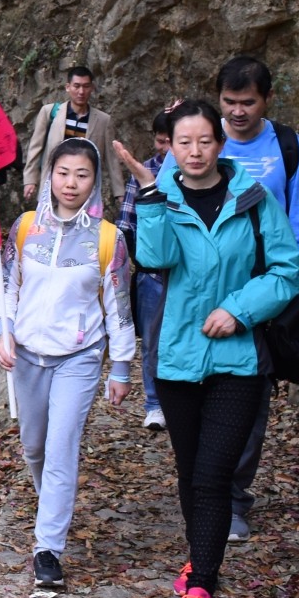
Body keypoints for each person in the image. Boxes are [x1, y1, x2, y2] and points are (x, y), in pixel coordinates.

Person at [116, 100, 299, 598]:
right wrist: (151, 195)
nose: (194, 152)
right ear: (169, 148)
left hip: (238, 361)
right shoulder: (164, 194)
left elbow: (288, 271)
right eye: (183, 143)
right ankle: (201, 554)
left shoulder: (253, 198)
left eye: (203, 141)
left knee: (214, 476)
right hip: (177, 360)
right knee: (190, 473)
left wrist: (238, 310)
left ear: (220, 144)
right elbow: (155, 259)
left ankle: (201, 592)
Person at [0, 139, 137, 590]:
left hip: (80, 356)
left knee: (60, 449)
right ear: (49, 175)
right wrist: (5, 331)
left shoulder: (109, 238)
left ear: (95, 181)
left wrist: (121, 366)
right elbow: (5, 284)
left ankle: (47, 550)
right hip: (29, 356)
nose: (71, 183)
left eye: (82, 175)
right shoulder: (24, 227)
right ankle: (52, 506)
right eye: (63, 173)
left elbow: (120, 307)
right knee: (34, 448)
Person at [216, 55, 299, 541]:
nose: (238, 112)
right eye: (229, 102)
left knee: (252, 395)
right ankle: (204, 489)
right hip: (205, 287)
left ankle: (234, 498)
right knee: (196, 392)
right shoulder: (200, 139)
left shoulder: (286, 146)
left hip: (267, 290)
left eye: (248, 103)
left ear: (266, 100)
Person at [117, 104, 180, 431]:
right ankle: (154, 404)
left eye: (173, 140)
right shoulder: (143, 171)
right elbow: (126, 222)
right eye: (160, 141)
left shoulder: (198, 171)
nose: (166, 149)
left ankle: (182, 402)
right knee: (152, 341)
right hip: (150, 274)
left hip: (186, 274)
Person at [21, 66, 122, 212]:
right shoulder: (50, 113)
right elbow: (35, 148)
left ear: (92, 88)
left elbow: (112, 159)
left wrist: (119, 191)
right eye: (77, 86)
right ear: (68, 87)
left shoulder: (102, 120)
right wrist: (30, 180)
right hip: (52, 183)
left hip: (84, 188)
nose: (81, 92)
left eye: (86, 86)